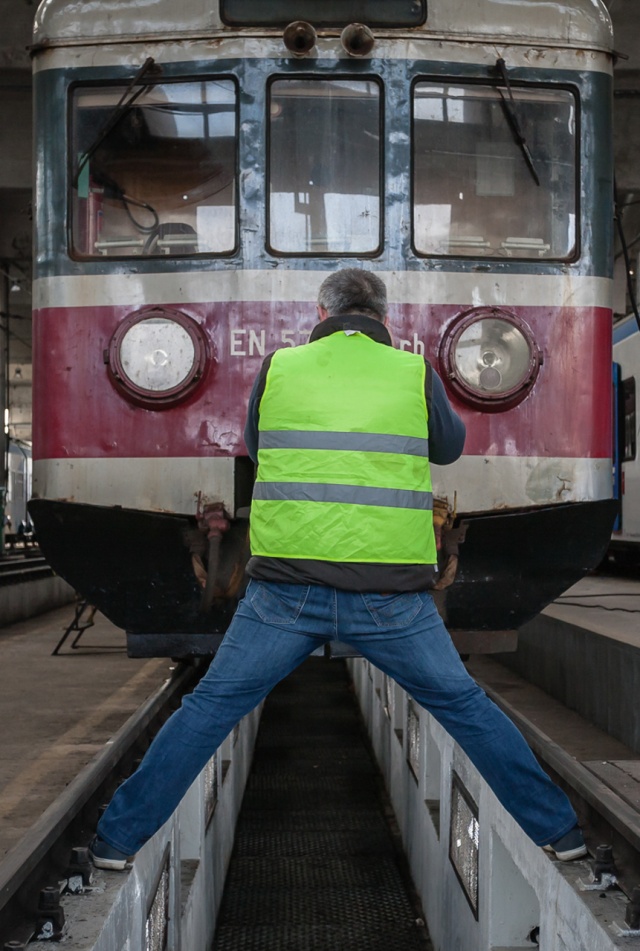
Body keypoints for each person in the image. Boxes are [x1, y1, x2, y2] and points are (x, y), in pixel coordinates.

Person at [90, 268, 586, 870]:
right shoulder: (413, 371)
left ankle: (116, 841)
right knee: (465, 705)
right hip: (390, 597)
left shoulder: (278, 368)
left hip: (284, 594)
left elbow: (257, 444)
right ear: (383, 318)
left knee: (211, 706)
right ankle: (560, 832)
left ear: (321, 315)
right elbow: (449, 448)